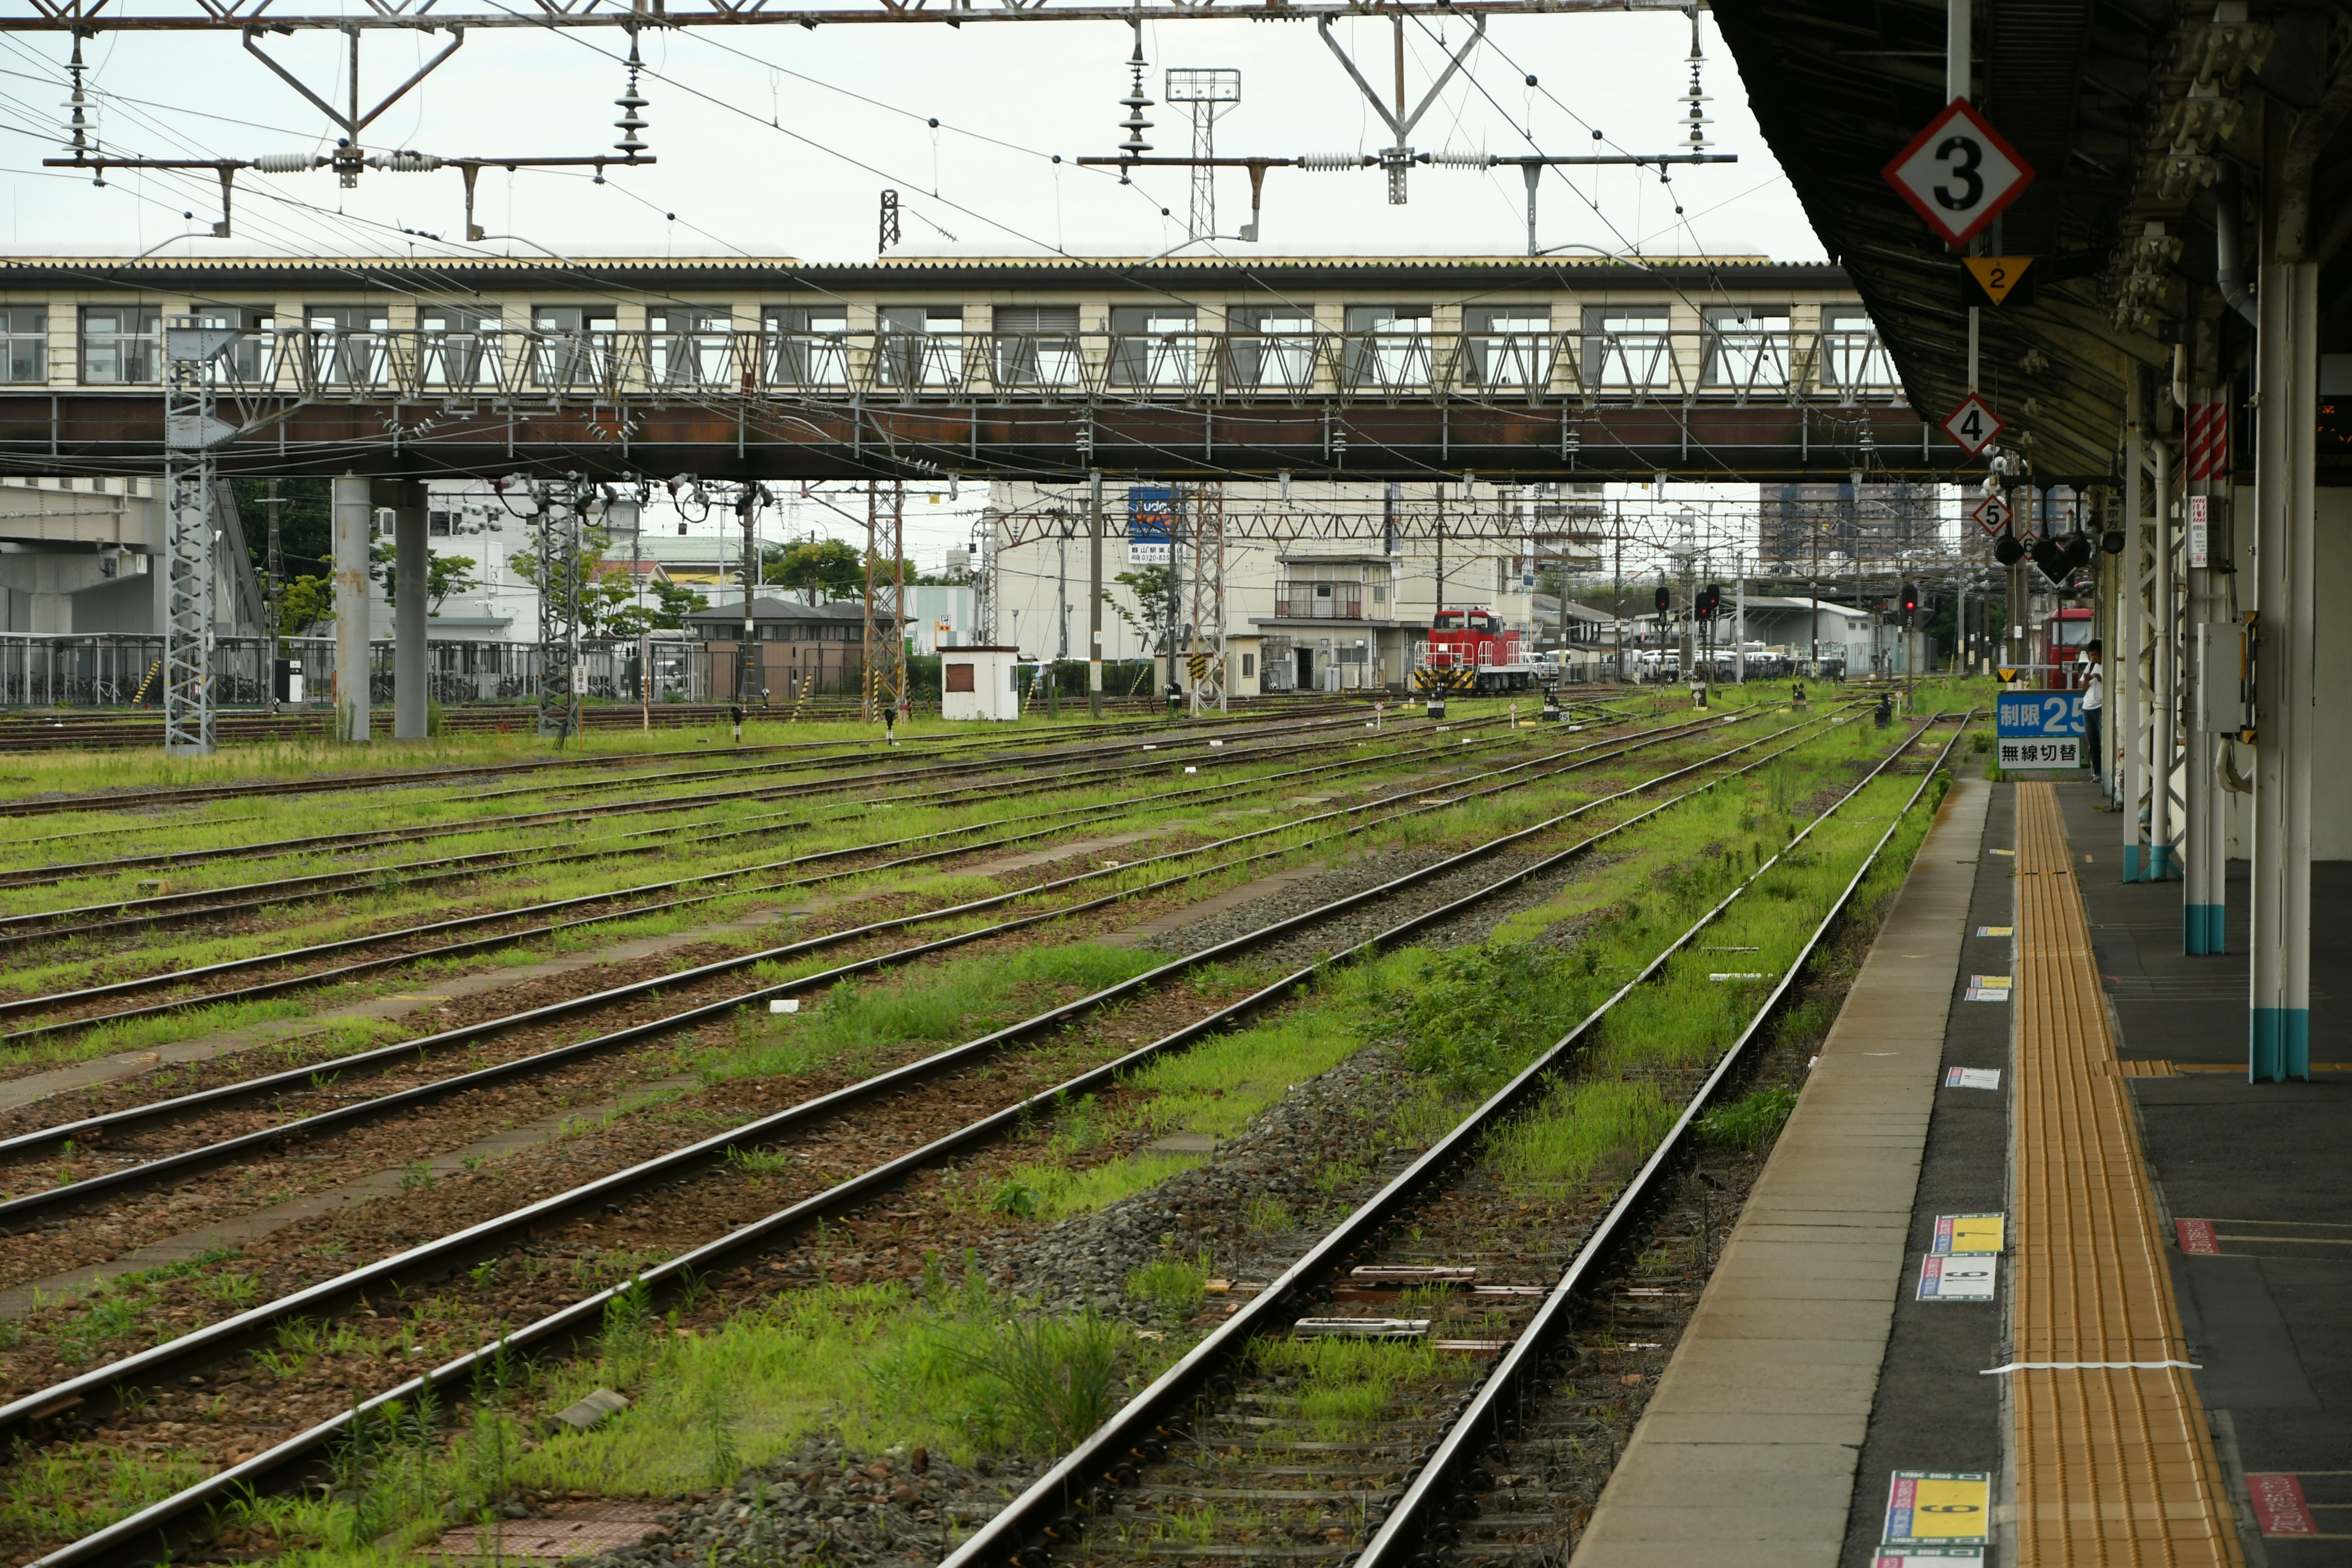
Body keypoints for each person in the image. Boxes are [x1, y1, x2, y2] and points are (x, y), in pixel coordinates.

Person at [2079, 639, 2105, 786]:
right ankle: (2097, 773)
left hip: (2101, 706)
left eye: (2095, 655)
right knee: (2093, 743)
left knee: (2103, 741)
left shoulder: (2108, 666)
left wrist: (2101, 680)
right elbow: (2083, 688)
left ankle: (2105, 772)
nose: (2093, 658)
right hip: (2088, 707)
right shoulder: (2090, 666)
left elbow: (2114, 686)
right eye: (2091, 655)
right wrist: (2087, 681)